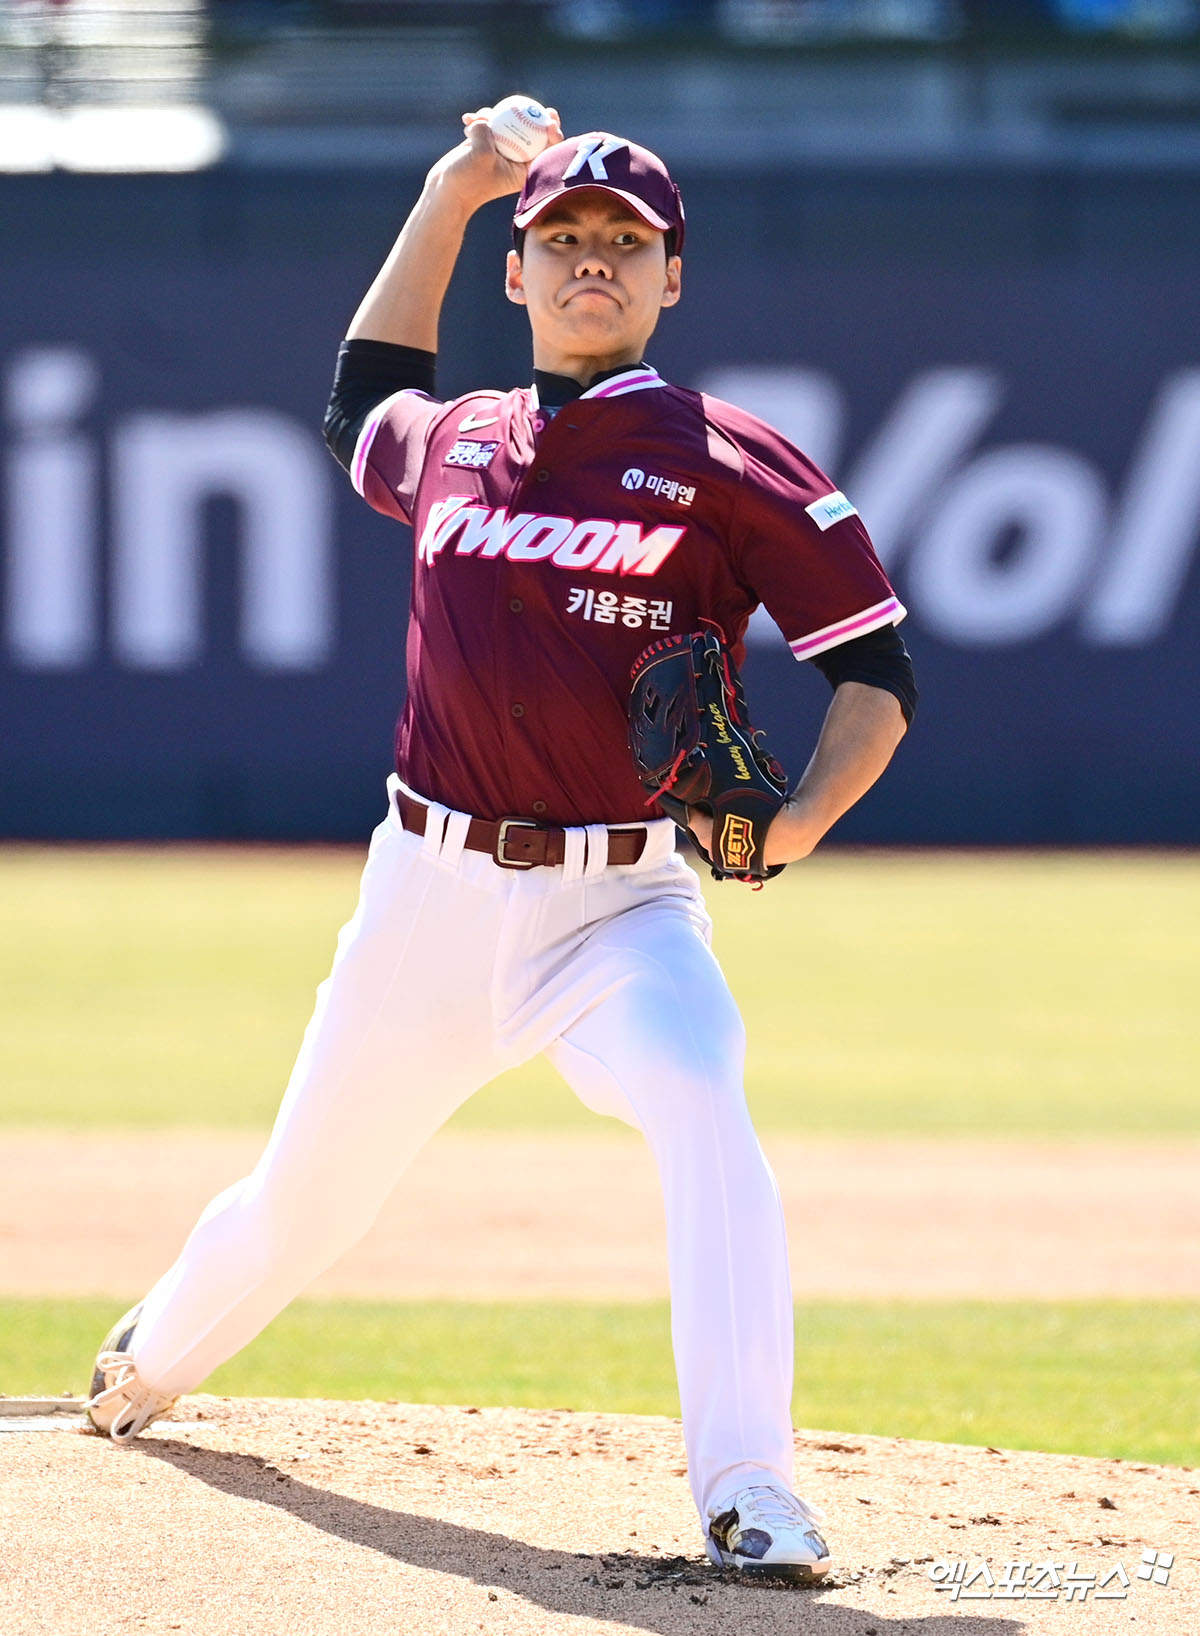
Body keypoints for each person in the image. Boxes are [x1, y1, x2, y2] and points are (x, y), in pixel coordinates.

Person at [86, 108, 917, 1582]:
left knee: (703, 1110)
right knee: (304, 1198)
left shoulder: (734, 460)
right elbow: (359, 406)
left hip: (624, 910)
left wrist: (792, 827)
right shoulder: (460, 437)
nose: (593, 261)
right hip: (428, 893)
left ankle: (750, 1488)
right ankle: (149, 1359)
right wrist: (449, 191)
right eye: (563, 242)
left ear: (673, 278)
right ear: (519, 276)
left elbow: (877, 673)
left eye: (624, 243)